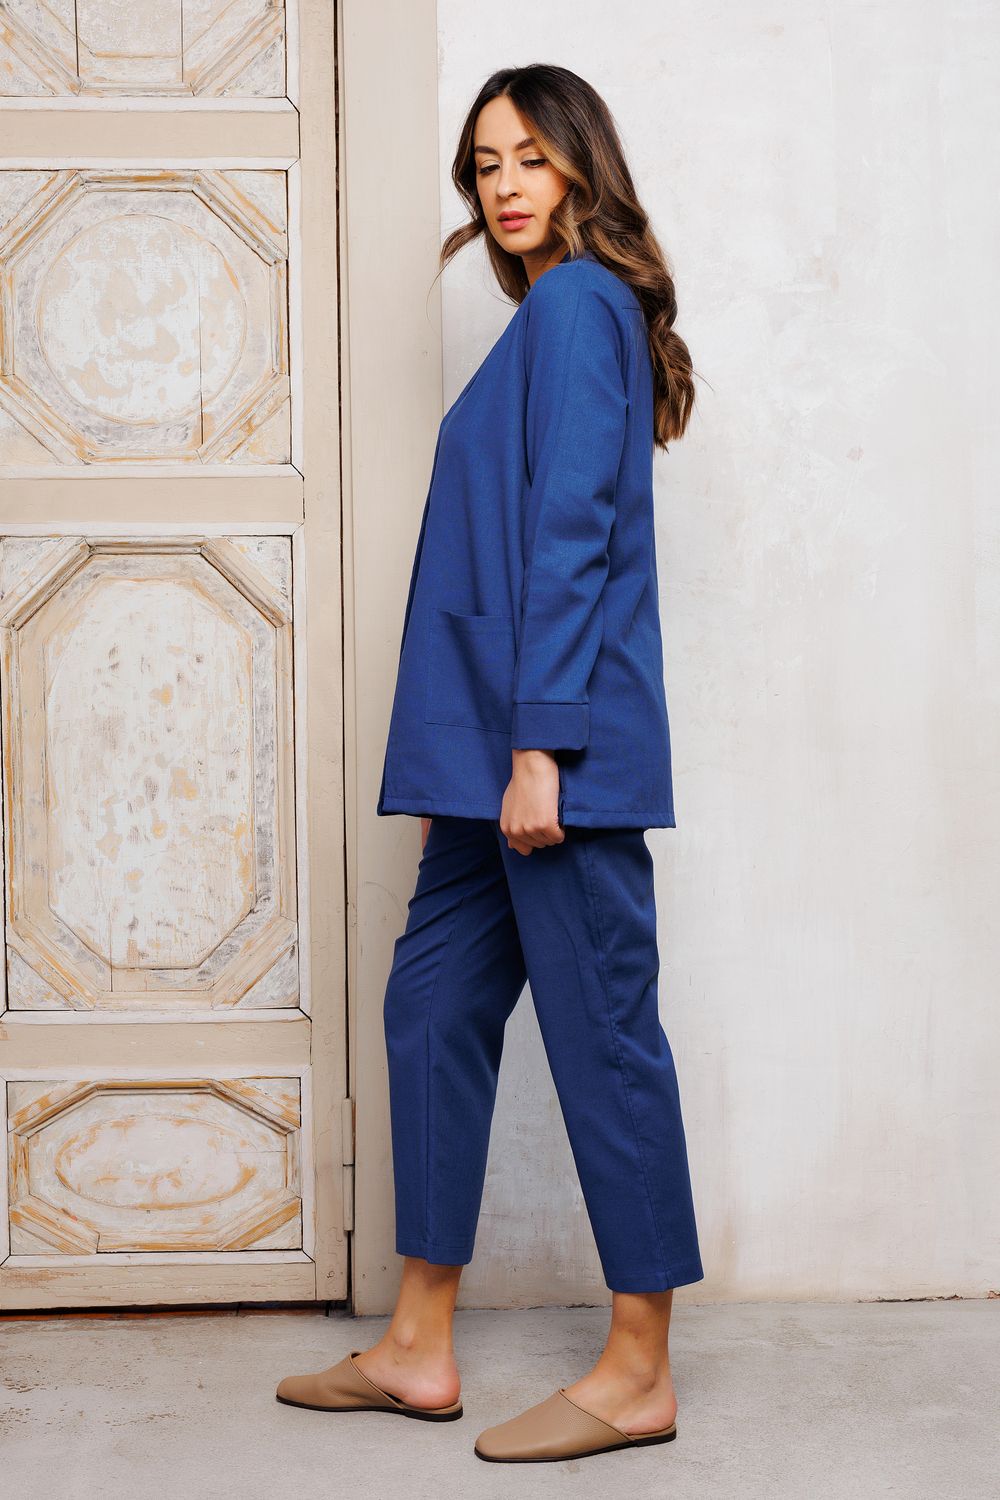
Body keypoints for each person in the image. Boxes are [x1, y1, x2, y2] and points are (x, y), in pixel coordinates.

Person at [277, 61, 704, 1464]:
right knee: (428, 1007)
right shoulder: (548, 321)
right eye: (484, 165)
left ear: (581, 164)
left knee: (605, 1040)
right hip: (485, 768)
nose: (505, 185)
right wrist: (466, 776)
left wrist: (535, 754)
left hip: (548, 757)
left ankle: (639, 1368)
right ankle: (418, 1344)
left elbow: (568, 537)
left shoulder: (580, 308)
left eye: (529, 156)